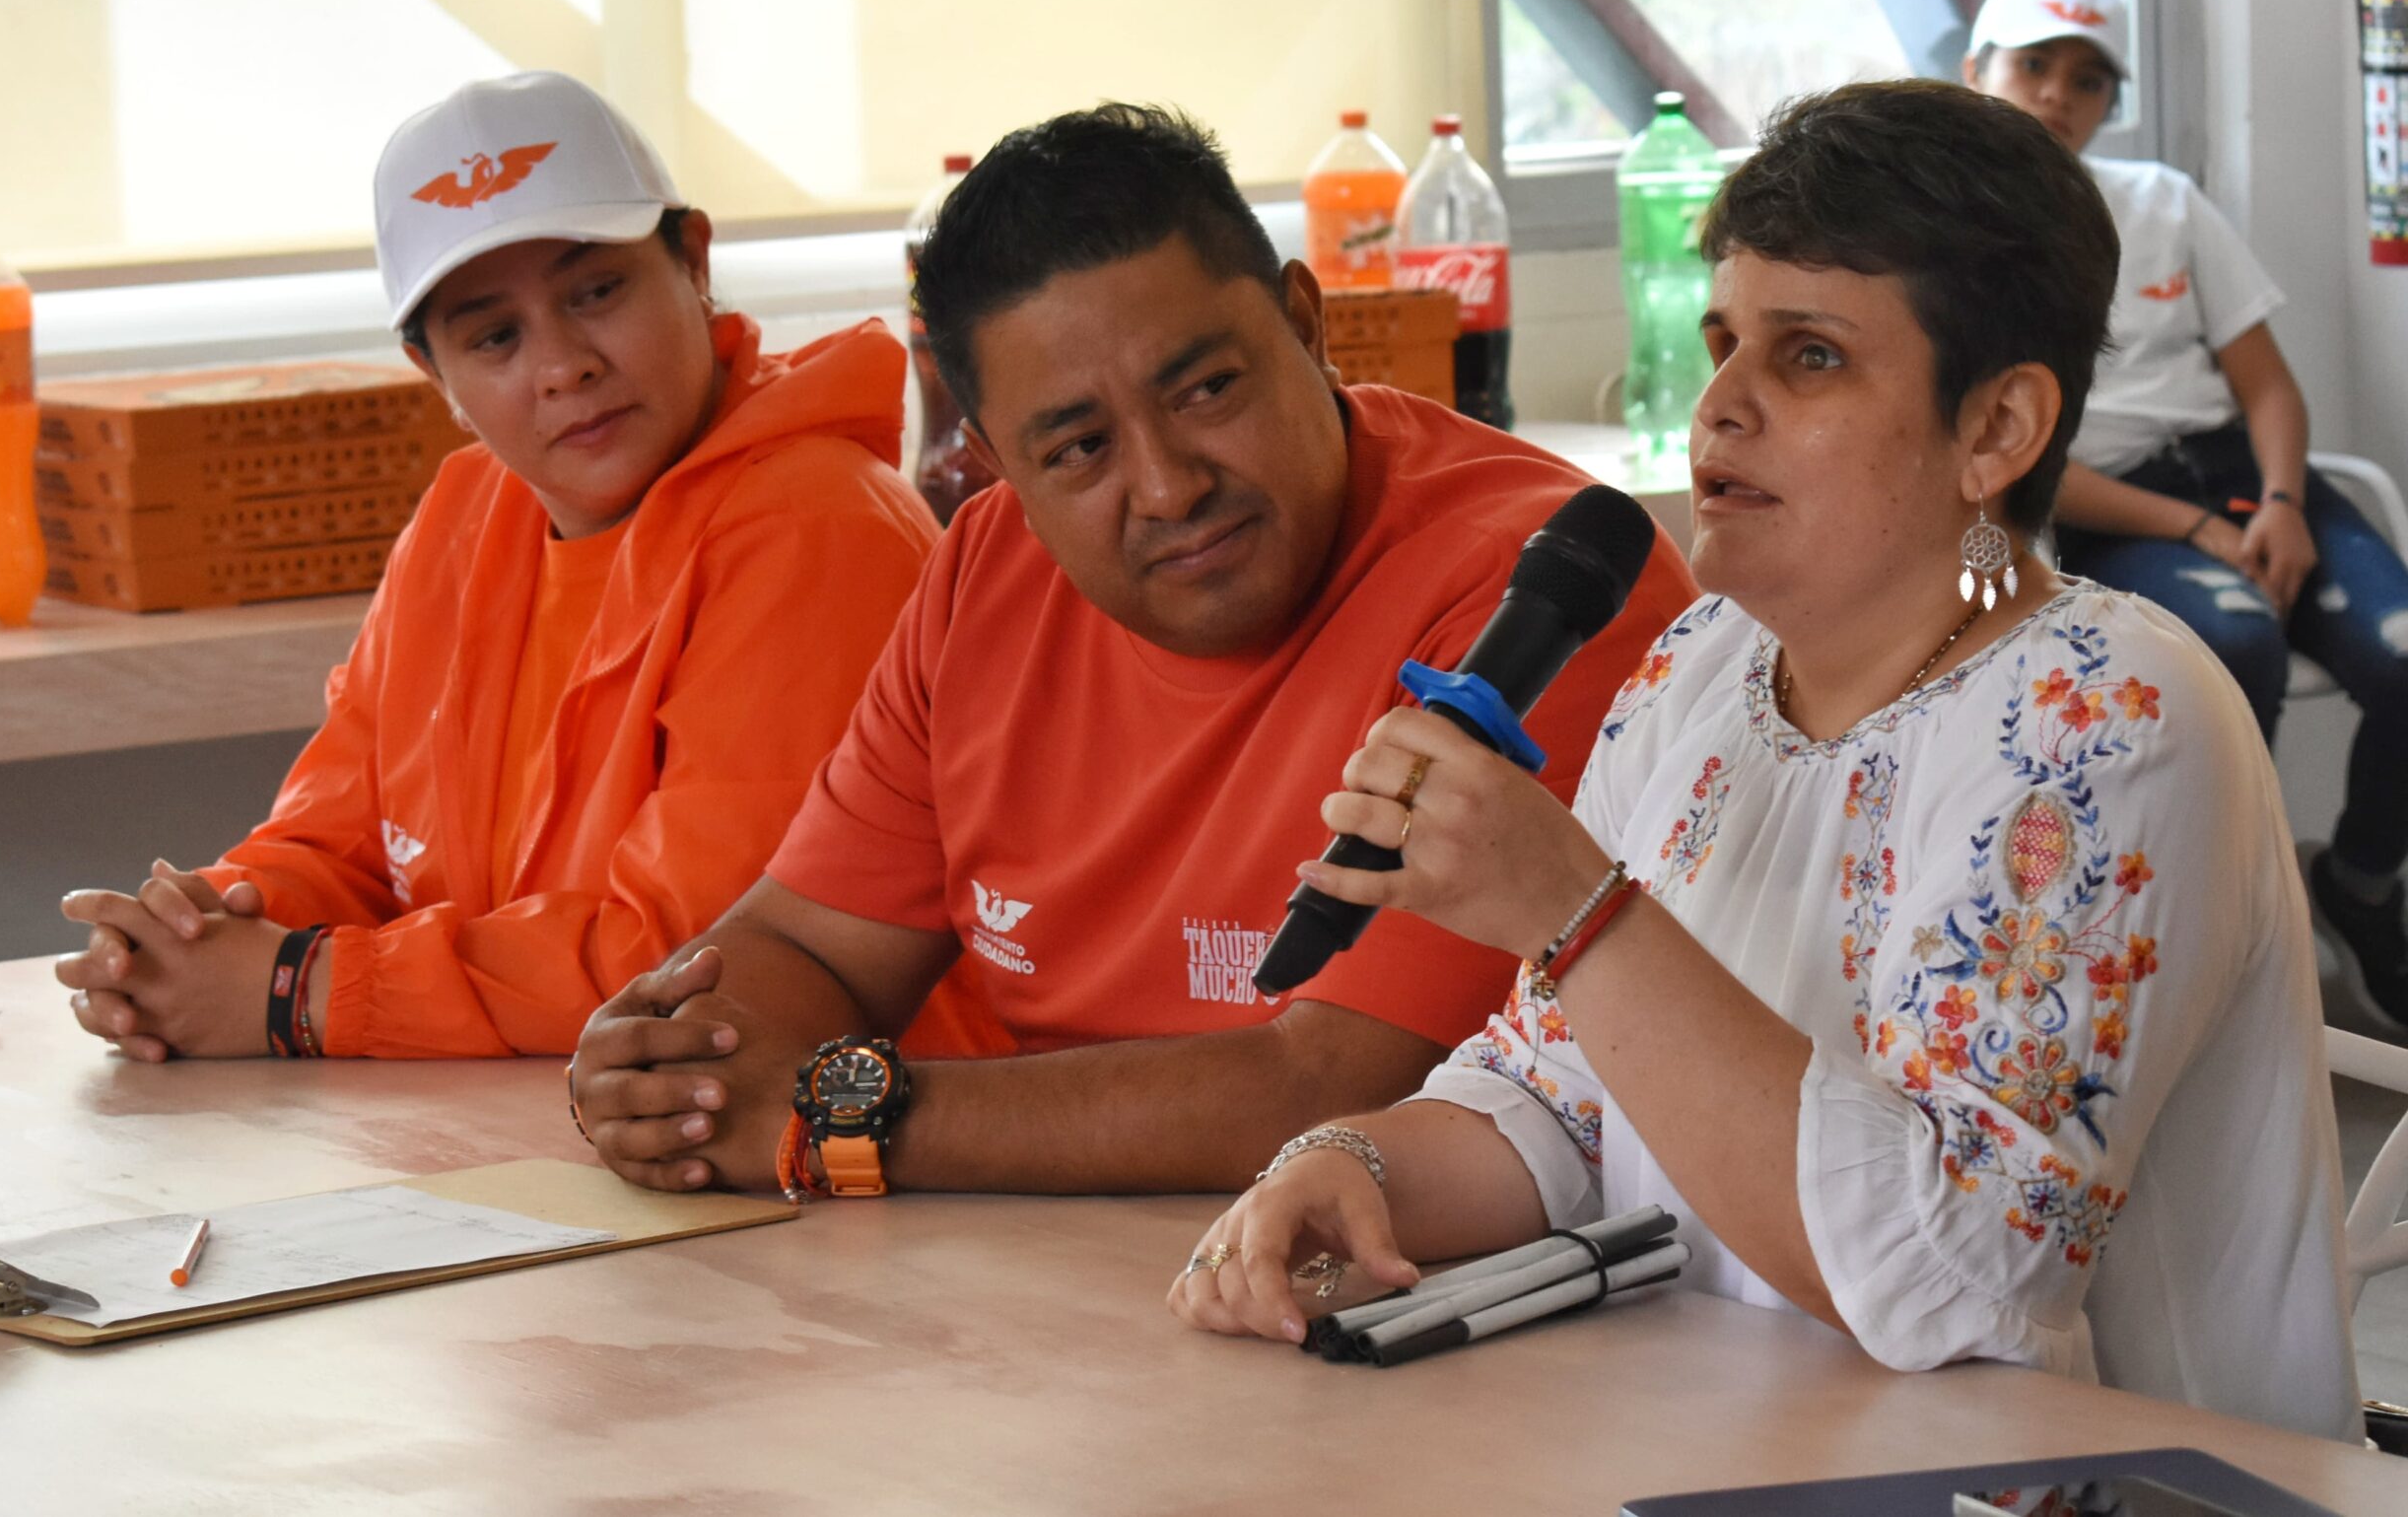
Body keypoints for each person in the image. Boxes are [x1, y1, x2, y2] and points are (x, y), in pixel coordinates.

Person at [1169, 81, 2359, 1442]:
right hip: (1732, 1452)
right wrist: (1351, 1160)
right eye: (1725, 336)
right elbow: (1565, 1099)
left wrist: (1573, 905)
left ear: (1997, 432)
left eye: (1809, 358)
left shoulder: (2112, 717)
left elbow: (1950, 1282)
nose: (1718, 402)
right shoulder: (1702, 669)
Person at [568, 103, 1694, 1198]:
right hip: (1067, 1296)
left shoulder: (1542, 585)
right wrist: (678, 1072)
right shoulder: (981, 572)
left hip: (1424, 1301)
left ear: (1306, 323)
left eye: (1206, 388)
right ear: (990, 457)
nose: (1167, 485)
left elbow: (1339, 1083)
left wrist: (852, 1118)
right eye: (1078, 447)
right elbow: (807, 947)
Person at [50, 70, 937, 1060]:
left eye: (596, 291)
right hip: (532, 1127)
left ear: (691, 261)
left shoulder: (818, 527)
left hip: (839, 1159)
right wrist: (191, 935)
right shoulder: (465, 515)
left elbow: (701, 965)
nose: (562, 364)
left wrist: (298, 989)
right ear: (438, 375)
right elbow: (341, 847)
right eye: (495, 336)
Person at [1962, 0, 2408, 1027]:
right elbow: (2021, 462)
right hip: (2114, 504)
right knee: (2237, 641)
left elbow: (2267, 386)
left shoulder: (2161, 201)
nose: (2056, 96)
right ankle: (2225, 927)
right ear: (1975, 70)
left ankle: (2354, 883)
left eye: (2086, 78)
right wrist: (2200, 529)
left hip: (2244, 477)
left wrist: (2285, 502)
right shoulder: (1959, 249)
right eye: (2032, 65)